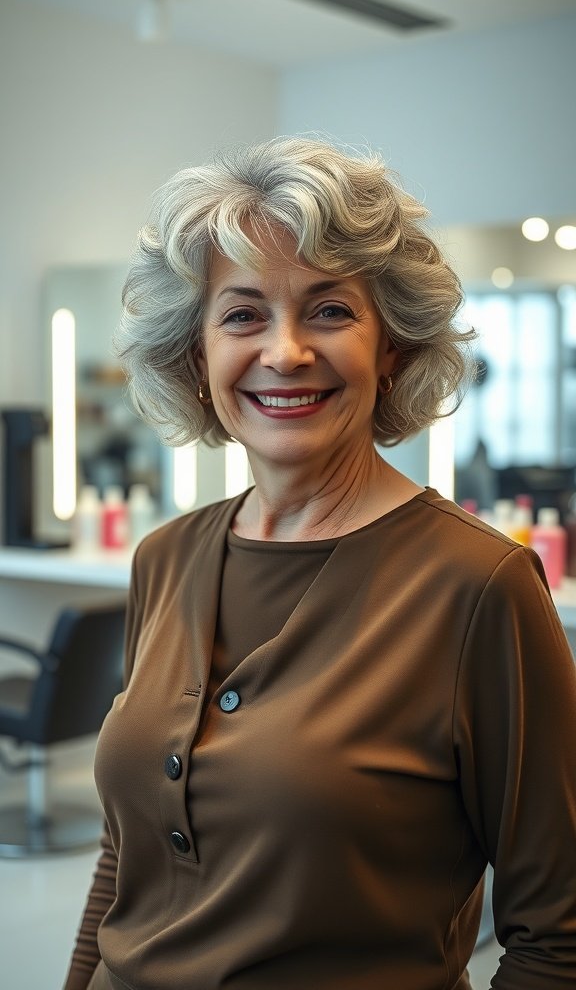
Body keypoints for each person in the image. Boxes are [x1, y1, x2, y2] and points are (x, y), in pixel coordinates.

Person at [63, 137, 576, 990]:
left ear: (393, 350)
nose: (286, 351)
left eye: (330, 311)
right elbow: (126, 865)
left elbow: (558, 938)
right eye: (242, 314)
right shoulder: (165, 558)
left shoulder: (478, 587)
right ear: (197, 357)